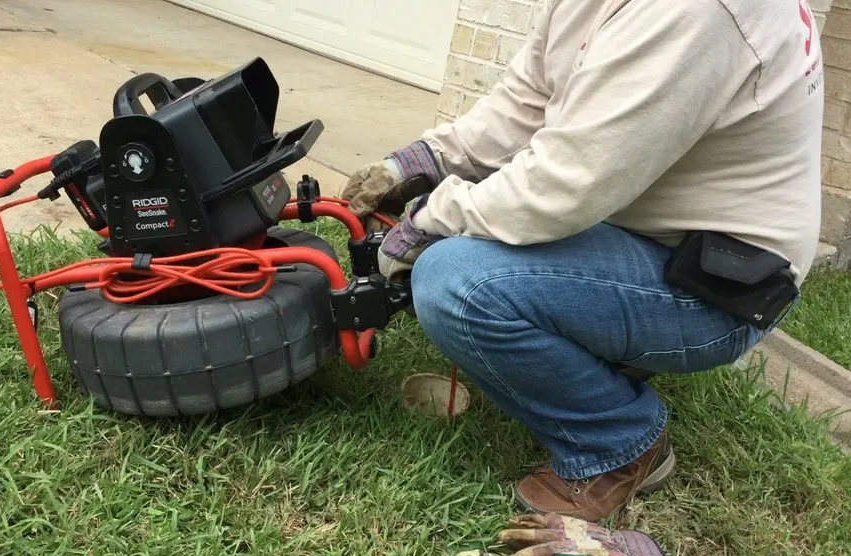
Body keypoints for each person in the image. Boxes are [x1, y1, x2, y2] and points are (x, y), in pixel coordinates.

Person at [341, 0, 824, 522]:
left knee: (455, 280)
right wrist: (424, 160)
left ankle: (619, 441)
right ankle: (591, 355)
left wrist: (430, 220)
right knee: (478, 218)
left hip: (722, 285)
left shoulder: (695, 11)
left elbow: (565, 185)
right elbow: (528, 101)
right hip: (652, 227)